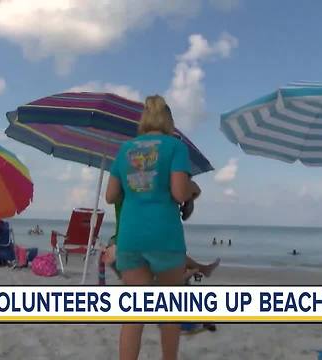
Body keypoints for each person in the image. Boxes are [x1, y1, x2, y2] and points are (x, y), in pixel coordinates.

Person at [105, 95, 195, 360]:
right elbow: (179, 193)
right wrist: (192, 190)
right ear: (168, 121)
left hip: (131, 237)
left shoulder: (125, 149)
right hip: (163, 237)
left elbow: (110, 196)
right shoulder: (176, 147)